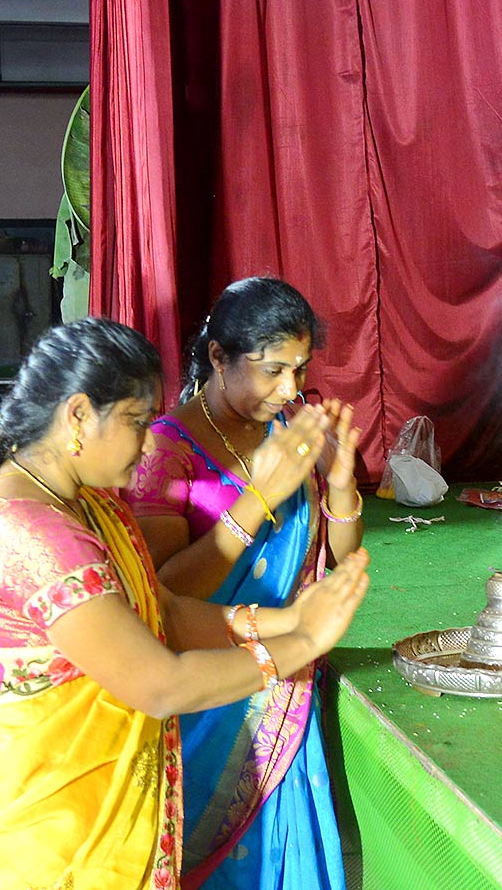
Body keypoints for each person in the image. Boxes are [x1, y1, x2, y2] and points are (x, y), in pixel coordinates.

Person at [0, 317, 370, 890]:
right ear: (77, 416)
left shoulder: (90, 501)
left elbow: (160, 610)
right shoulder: (33, 537)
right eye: (136, 423)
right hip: (27, 833)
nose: (147, 445)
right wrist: (302, 645)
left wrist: (287, 618)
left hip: (70, 813)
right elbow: (160, 684)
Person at [123, 276, 363, 890]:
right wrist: (259, 496)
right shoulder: (163, 450)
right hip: (214, 689)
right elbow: (166, 592)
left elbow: (337, 556)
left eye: (300, 370)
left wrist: (338, 479)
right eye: (272, 370)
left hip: (289, 674)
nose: (290, 390)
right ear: (219, 357)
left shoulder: (291, 430)